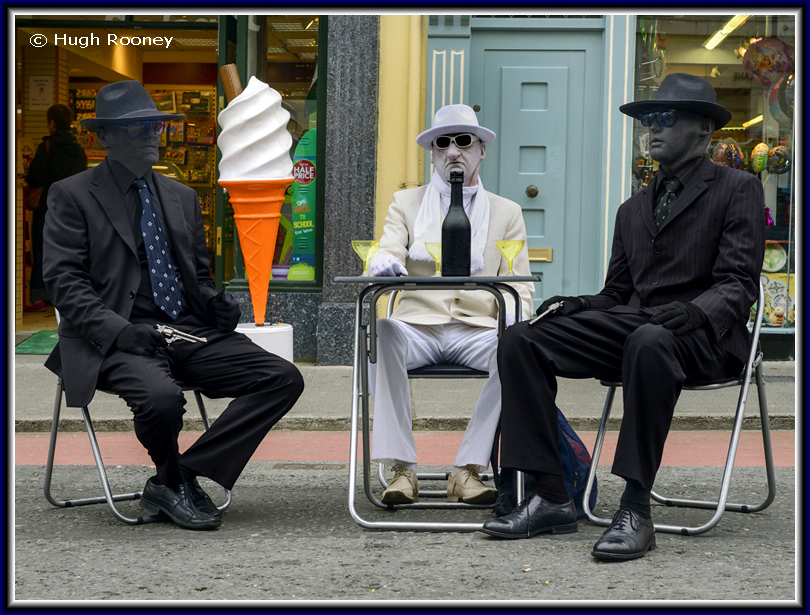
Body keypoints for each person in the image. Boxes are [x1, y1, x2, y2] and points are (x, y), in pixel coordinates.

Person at [481, 74, 765, 560]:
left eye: (665, 118)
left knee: (649, 340)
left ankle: (636, 508)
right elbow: (618, 292)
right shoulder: (631, 208)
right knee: (521, 339)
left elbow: (739, 282)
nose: (651, 128)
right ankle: (550, 495)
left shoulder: (738, 188)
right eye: (647, 120)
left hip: (705, 336)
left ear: (703, 130)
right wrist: (581, 305)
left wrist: (696, 311)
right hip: (638, 325)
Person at [42, 81, 304, 531]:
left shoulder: (180, 196)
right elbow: (64, 283)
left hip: (184, 330)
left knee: (281, 377)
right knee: (162, 400)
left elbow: (196, 276)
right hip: (111, 340)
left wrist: (215, 304)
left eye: (156, 126)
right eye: (136, 127)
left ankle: (177, 475)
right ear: (103, 137)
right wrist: (120, 331)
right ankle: (171, 480)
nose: (151, 134)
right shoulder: (72, 194)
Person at [367, 104, 534, 504]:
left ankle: (468, 469)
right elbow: (387, 250)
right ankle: (402, 469)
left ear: (481, 150)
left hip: (476, 327)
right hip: (417, 326)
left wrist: (515, 317)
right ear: (433, 154)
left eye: (464, 141)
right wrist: (385, 260)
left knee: (518, 350)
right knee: (381, 332)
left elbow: (523, 287)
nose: (453, 151)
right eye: (443, 143)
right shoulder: (406, 204)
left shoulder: (507, 211)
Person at [25, 104, 87, 307]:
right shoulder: (78, 149)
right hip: (73, 208)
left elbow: (36, 176)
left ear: (52, 123)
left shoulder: (48, 147)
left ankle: (42, 294)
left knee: (43, 249)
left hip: (48, 207)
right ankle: (67, 292)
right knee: (69, 250)